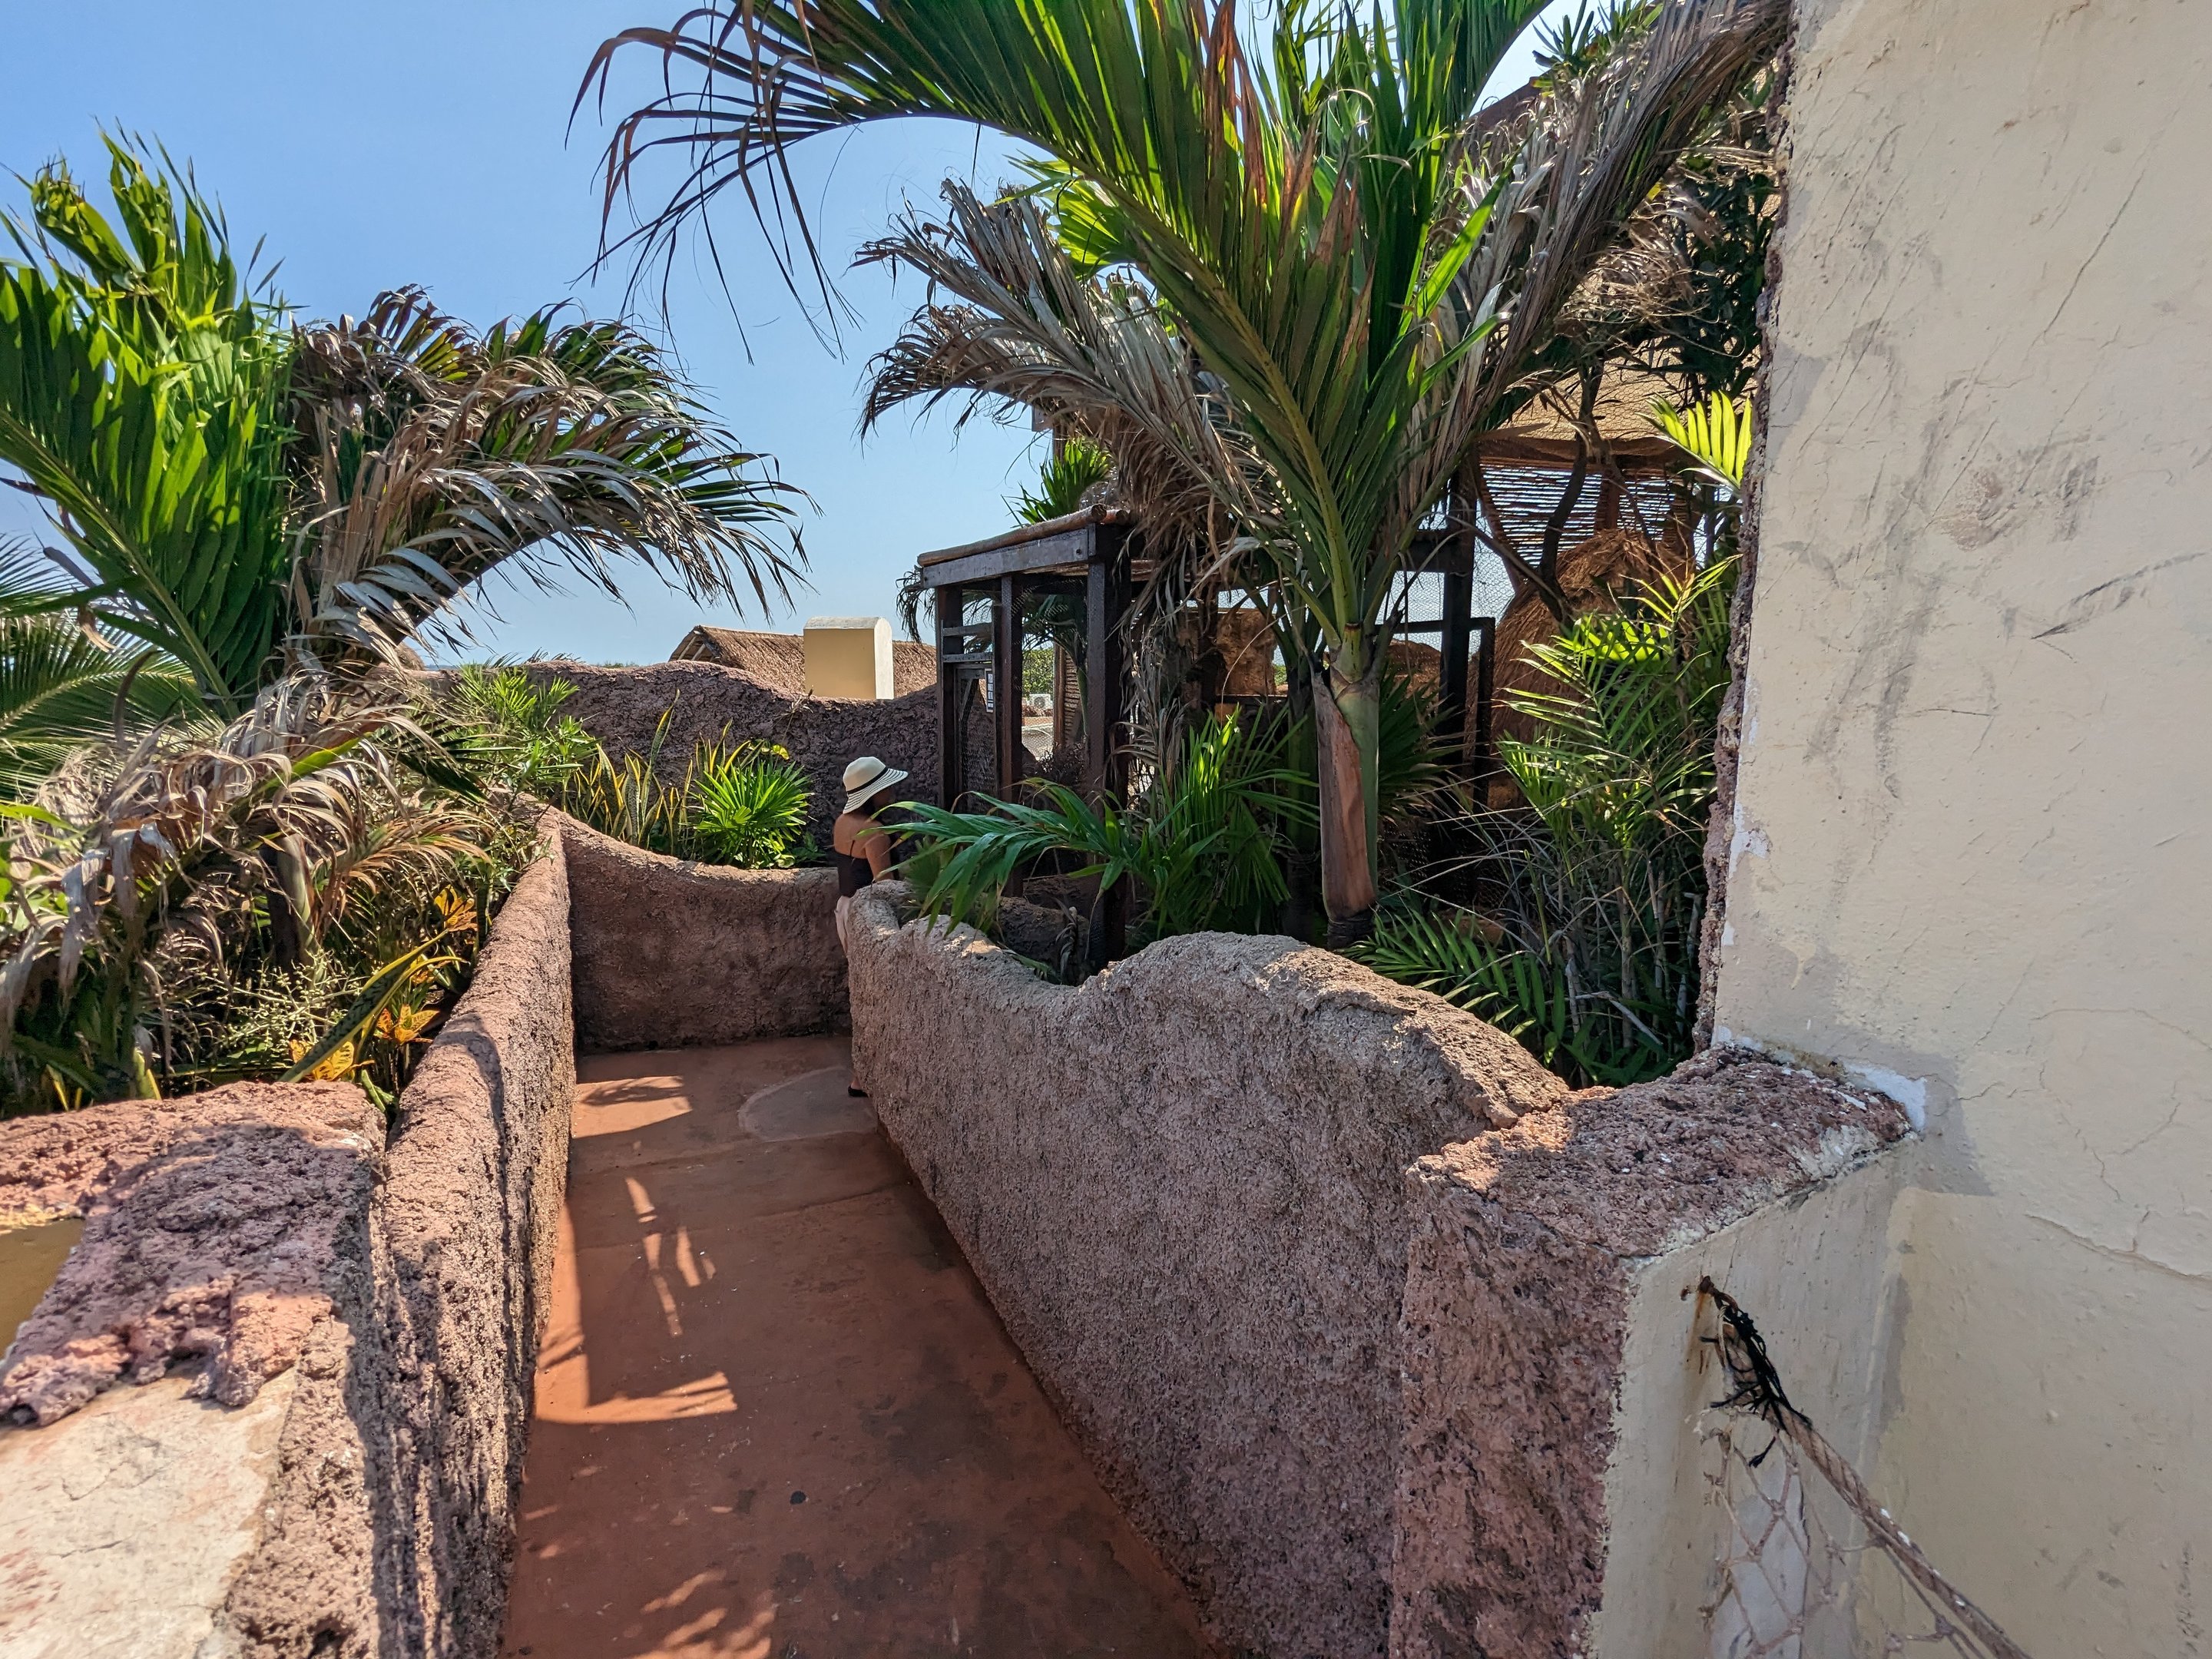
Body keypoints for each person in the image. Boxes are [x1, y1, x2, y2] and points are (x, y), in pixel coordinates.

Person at [833, 755, 906, 898]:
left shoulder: (841, 820)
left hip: (844, 906)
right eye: (886, 786)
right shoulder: (875, 833)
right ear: (874, 793)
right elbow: (885, 884)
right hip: (868, 909)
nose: (891, 790)